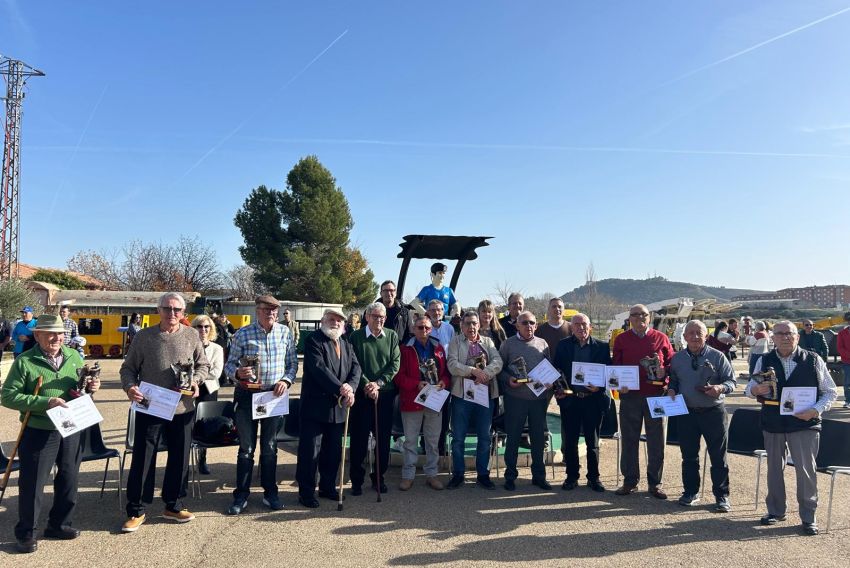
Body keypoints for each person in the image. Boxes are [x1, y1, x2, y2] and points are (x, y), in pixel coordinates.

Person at [1, 314, 101, 553]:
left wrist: (90, 388)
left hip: (72, 424)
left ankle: (59, 524)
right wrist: (46, 402)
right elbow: (7, 396)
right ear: (38, 335)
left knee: (68, 478)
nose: (57, 338)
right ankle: (26, 532)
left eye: (60, 334)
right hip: (39, 429)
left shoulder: (74, 355)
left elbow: (81, 386)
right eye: (50, 334)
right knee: (33, 483)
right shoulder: (25, 361)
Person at [119, 292, 209, 532]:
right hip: (151, 406)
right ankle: (136, 510)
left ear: (183, 312)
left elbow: (203, 365)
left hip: (183, 407)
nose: (172, 314)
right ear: (158, 310)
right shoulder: (143, 337)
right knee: (143, 458)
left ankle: (174, 504)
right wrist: (130, 387)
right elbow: (128, 369)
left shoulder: (191, 335)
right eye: (167, 309)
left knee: (180, 458)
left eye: (177, 310)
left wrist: (196, 380)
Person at [746, 321, 837, 535]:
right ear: (773, 337)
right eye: (780, 333)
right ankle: (776, 511)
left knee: (806, 471)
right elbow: (750, 388)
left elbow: (830, 391)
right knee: (774, 469)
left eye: (790, 333)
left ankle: (808, 516)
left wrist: (815, 411)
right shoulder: (763, 360)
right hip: (773, 422)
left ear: (797, 337)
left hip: (804, 423)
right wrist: (755, 389)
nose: (785, 337)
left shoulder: (813, 359)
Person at [224, 295, 297, 514]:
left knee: (270, 448)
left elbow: (292, 364)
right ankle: (241, 495)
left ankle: (270, 493)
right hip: (247, 397)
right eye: (267, 310)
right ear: (257, 310)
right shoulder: (243, 334)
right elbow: (229, 366)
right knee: (246, 449)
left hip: (273, 396)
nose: (271, 314)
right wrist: (237, 373)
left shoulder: (285, 333)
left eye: (275, 310)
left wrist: (286, 380)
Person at [667, 320, 736, 511]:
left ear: (706, 336)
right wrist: (671, 390)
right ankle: (690, 491)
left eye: (699, 333)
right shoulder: (677, 358)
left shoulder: (718, 356)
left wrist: (720, 387)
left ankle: (721, 495)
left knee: (718, 456)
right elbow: (673, 380)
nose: (695, 336)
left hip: (713, 412)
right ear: (684, 337)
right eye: (691, 333)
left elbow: (731, 381)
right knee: (688, 455)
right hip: (687, 413)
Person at [295, 308, 360, 508]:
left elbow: (356, 368)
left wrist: (351, 386)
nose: (335, 323)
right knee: (310, 452)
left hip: (337, 409)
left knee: (332, 451)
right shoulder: (314, 340)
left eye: (339, 320)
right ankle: (306, 493)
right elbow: (318, 369)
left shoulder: (346, 344)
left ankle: (327, 487)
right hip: (315, 408)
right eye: (331, 319)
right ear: (324, 321)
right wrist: (341, 388)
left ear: (344, 325)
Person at [612, 304, 674, 499]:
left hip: (656, 396)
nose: (640, 318)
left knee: (656, 441)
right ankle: (630, 481)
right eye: (635, 315)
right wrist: (617, 384)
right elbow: (615, 366)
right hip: (630, 396)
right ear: (629, 318)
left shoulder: (661, 338)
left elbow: (672, 363)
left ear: (650, 317)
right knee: (629, 439)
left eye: (644, 315)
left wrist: (666, 374)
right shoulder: (621, 339)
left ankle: (655, 484)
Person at [348, 302, 401, 495]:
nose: (378, 320)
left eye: (381, 317)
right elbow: (353, 364)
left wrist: (378, 383)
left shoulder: (392, 336)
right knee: (359, 440)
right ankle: (356, 480)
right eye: (374, 316)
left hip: (384, 395)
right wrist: (367, 385)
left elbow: (395, 364)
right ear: (367, 316)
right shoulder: (356, 336)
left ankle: (379, 478)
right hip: (362, 396)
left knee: (383, 440)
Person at [554, 313, 611, 492]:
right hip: (571, 400)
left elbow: (609, 374)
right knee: (570, 441)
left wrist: (600, 387)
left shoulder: (602, 347)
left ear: (590, 327)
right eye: (577, 324)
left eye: (584, 324)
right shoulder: (563, 346)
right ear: (572, 327)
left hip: (592, 401)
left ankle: (594, 478)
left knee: (592, 442)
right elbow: (557, 370)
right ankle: (572, 477)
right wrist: (559, 388)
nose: (581, 328)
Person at [446, 311, 503, 489]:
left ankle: (483, 475)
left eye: (474, 323)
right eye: (468, 323)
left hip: (484, 396)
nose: (471, 327)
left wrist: (485, 373)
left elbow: (498, 362)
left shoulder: (488, 342)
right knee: (458, 438)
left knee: (485, 437)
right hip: (462, 396)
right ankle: (458, 474)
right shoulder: (455, 341)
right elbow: (452, 365)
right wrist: (472, 371)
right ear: (461, 326)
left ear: (479, 325)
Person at [395, 314, 450, 491]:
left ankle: (432, 475)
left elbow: (446, 374)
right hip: (412, 401)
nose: (424, 330)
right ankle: (408, 475)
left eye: (427, 327)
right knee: (410, 441)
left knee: (433, 442)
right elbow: (398, 377)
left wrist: (444, 383)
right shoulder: (405, 349)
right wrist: (416, 384)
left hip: (434, 401)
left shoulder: (439, 348)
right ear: (413, 329)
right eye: (420, 327)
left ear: (431, 329)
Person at [498, 311, 552, 491]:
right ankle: (510, 476)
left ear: (536, 325)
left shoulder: (543, 343)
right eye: (524, 323)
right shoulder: (508, 344)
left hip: (538, 399)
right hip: (516, 399)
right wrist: (508, 380)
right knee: (513, 437)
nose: (528, 326)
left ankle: (539, 476)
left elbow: (549, 367)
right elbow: (500, 369)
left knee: (538, 439)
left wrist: (550, 380)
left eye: (532, 323)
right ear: (517, 325)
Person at [191, 314, 224, 475]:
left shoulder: (217, 348)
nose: (203, 330)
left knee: (205, 425)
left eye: (206, 327)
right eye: (199, 326)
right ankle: (186, 456)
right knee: (188, 423)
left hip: (208, 390)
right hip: (190, 390)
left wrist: (197, 374)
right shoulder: (188, 346)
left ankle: (202, 458)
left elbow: (217, 373)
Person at [369, 279, 414, 344]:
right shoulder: (371, 311)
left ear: (395, 293)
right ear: (381, 293)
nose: (389, 293)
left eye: (391, 290)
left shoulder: (404, 312)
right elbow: (364, 331)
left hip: (398, 350)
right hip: (376, 348)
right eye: (386, 290)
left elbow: (410, 334)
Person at [838, 311, 850, 408]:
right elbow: (840, 348)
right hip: (847, 362)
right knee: (847, 383)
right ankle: (848, 401)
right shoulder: (842, 333)